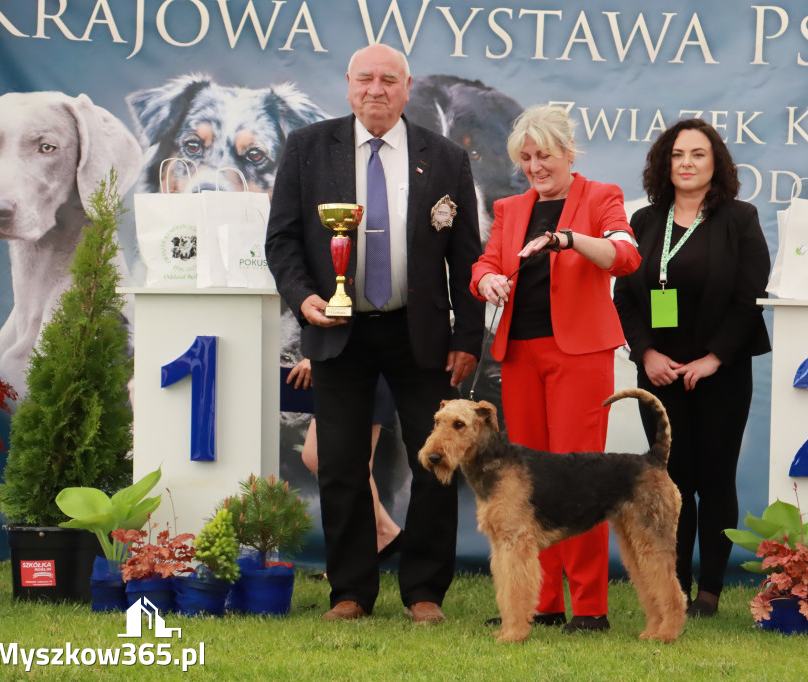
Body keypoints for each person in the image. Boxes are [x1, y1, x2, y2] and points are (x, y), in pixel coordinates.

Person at [265, 43, 483, 624]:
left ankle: (425, 592)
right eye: (366, 79)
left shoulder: (444, 158)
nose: (376, 89)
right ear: (348, 85)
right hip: (338, 330)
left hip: (422, 334)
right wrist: (304, 296)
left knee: (434, 462)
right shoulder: (309, 149)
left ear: (408, 88)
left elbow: (467, 259)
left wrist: (468, 339)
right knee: (338, 464)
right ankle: (351, 592)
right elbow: (282, 240)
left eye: (390, 79)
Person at [471, 104, 641, 633]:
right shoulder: (509, 208)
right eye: (525, 159)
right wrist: (487, 283)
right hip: (518, 355)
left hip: (580, 356)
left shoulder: (601, 197)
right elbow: (486, 264)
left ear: (569, 153)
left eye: (543, 155)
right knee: (529, 482)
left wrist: (568, 240)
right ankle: (542, 603)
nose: (535, 167)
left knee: (579, 479)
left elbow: (624, 256)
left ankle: (589, 607)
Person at [612, 118, 771, 617]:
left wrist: (715, 357)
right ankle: (675, 584)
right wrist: (646, 354)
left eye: (698, 154)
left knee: (716, 479)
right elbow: (626, 298)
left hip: (720, 370)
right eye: (678, 154)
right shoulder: (642, 222)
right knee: (669, 480)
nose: (686, 163)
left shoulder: (740, 219)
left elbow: (751, 298)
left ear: (715, 163)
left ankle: (711, 592)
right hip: (659, 373)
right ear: (665, 162)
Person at [285, 360, 402, 560]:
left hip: (362, 365)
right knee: (315, 455)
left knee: (355, 463)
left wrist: (317, 357)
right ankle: (385, 534)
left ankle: (358, 554)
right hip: (336, 367)